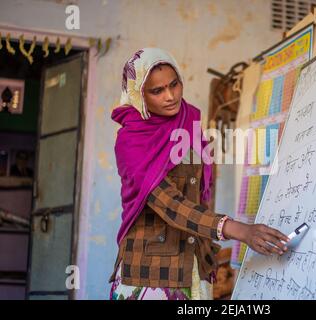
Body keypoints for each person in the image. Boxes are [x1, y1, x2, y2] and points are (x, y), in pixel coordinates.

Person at [109, 48, 289, 300]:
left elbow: (198, 193)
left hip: (193, 264)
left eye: (174, 84)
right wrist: (238, 230)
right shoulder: (131, 140)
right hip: (150, 273)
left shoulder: (189, 122)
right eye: (157, 91)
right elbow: (169, 203)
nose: (170, 96)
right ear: (139, 94)